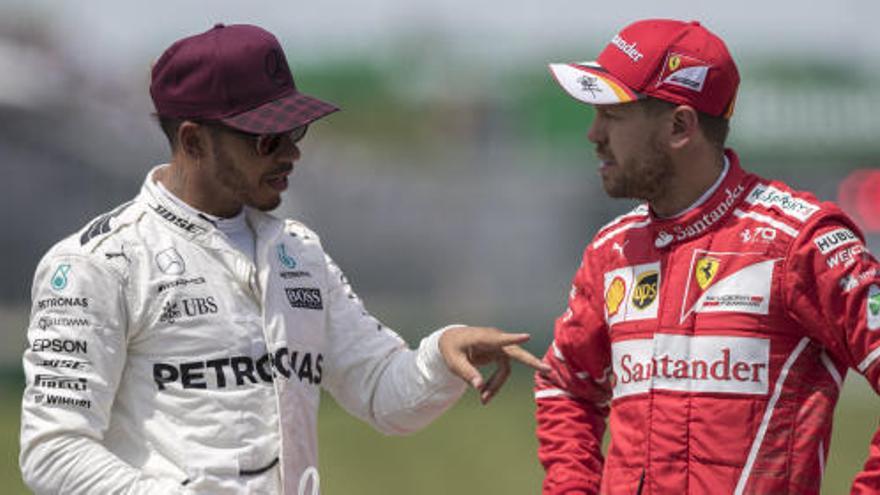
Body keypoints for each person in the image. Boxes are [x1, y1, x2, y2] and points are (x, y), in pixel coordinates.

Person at [19, 23, 548, 495]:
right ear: (193, 140)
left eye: (295, 130)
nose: (292, 153)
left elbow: (384, 394)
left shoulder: (298, 252)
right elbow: (53, 452)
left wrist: (439, 354)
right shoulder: (99, 264)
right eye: (267, 137)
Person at [534, 18, 880, 495]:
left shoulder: (800, 242)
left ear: (680, 126)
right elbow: (565, 386)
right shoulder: (612, 250)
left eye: (612, 116)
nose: (593, 134)